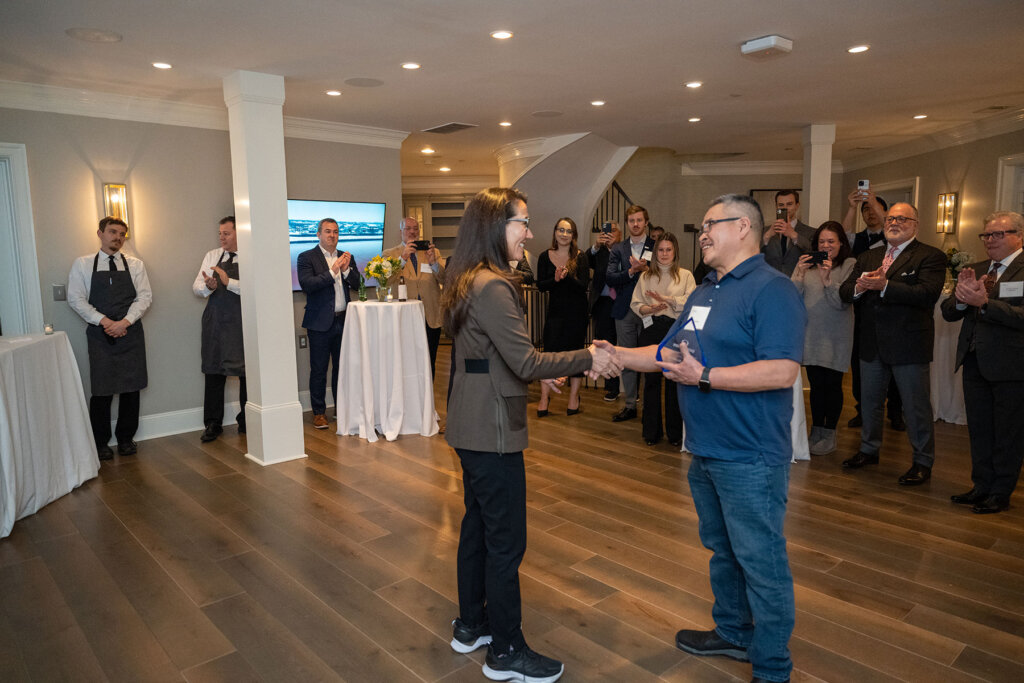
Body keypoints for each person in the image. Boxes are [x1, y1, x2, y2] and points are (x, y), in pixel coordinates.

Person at [608, 193, 805, 683]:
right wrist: (615, 353)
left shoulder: (772, 290)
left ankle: (773, 666)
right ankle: (734, 632)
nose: (703, 233)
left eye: (709, 224)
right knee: (723, 549)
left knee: (761, 560)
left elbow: (782, 371)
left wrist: (706, 377)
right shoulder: (706, 291)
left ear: (743, 227)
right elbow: (669, 352)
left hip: (750, 454)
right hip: (707, 449)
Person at [442, 187, 618, 683]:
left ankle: (471, 625)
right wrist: (588, 356)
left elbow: (482, 358)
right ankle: (506, 651)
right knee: (506, 543)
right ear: (496, 227)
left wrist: (536, 373)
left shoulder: (465, 277)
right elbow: (523, 358)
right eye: (523, 222)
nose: (530, 232)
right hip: (492, 428)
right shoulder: (494, 285)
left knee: (476, 528)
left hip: (469, 418)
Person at [839, 202, 946, 485]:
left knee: (915, 407)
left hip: (908, 344)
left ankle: (923, 461)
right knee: (870, 403)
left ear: (915, 224)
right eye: (890, 219)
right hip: (871, 342)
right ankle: (868, 450)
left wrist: (885, 286)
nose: (894, 222)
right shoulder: (867, 257)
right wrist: (861, 286)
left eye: (902, 218)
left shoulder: (929, 256)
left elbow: (927, 294)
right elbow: (845, 292)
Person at [941, 211, 1024, 514]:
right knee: (979, 429)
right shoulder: (976, 269)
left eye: (998, 234)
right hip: (975, 360)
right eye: (986, 235)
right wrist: (962, 299)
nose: (990, 240)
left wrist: (986, 303)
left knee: (1007, 432)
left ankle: (1001, 491)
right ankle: (981, 486)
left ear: (1020, 236)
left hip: (1012, 366)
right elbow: (949, 311)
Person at [68, 216, 153, 460]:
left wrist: (124, 322)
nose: (117, 237)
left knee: (131, 387)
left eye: (122, 234)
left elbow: (145, 297)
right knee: (102, 390)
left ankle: (126, 438)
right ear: (100, 233)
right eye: (113, 232)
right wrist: (106, 322)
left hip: (131, 331)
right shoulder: (83, 264)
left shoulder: (136, 265)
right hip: (100, 334)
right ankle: (100, 442)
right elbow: (76, 299)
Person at [790, 221, 856, 455]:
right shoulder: (808, 266)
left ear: (841, 243)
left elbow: (842, 302)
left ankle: (830, 433)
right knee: (816, 386)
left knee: (832, 385)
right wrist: (798, 273)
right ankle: (816, 430)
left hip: (836, 335)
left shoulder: (849, 265)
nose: (826, 246)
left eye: (831, 242)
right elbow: (791, 298)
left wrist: (828, 279)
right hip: (811, 335)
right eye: (822, 242)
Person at [841, 190, 902, 430]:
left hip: (891, 309)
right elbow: (842, 238)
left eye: (873, 209)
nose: (870, 214)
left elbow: (887, 219)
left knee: (894, 366)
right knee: (861, 363)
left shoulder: (894, 239)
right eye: (865, 210)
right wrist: (853, 207)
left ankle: (895, 412)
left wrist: (871, 198)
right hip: (863, 309)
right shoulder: (858, 240)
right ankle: (862, 410)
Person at [629, 232, 695, 446]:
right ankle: (651, 432)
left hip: (675, 331)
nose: (664, 254)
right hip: (651, 328)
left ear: (675, 251)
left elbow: (691, 302)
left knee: (674, 382)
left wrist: (668, 300)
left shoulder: (685, 276)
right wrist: (650, 308)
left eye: (668, 249)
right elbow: (636, 304)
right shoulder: (645, 276)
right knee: (651, 382)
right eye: (660, 250)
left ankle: (675, 434)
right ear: (655, 252)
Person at [297, 218, 360, 429]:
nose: (332, 235)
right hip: (319, 323)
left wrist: (346, 270)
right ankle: (319, 413)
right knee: (319, 369)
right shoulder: (306, 257)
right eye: (327, 231)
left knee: (342, 368)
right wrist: (333, 271)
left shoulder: (346, 257)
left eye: (335, 232)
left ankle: (341, 408)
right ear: (318, 234)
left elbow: (358, 284)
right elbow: (308, 285)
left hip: (344, 320)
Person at [192, 216, 246, 442]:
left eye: (227, 233)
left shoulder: (250, 255)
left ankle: (247, 420)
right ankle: (213, 423)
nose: (222, 237)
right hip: (215, 322)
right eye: (220, 234)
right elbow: (196, 287)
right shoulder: (212, 256)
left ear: (238, 234)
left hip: (241, 322)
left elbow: (256, 288)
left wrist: (228, 282)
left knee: (246, 373)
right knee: (213, 371)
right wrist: (208, 286)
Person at [606, 204, 656, 422]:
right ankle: (630, 405)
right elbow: (610, 278)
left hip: (649, 309)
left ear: (646, 222)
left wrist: (646, 269)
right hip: (625, 310)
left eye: (639, 220)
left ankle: (649, 407)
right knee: (626, 358)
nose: (635, 224)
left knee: (649, 359)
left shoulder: (656, 245)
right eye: (631, 221)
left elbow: (664, 272)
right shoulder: (618, 249)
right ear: (627, 224)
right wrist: (631, 271)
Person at [536, 217, 590, 417]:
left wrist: (567, 278)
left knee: (575, 355)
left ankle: (573, 397)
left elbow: (584, 286)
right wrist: (555, 279)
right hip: (555, 314)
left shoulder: (581, 257)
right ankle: (544, 397)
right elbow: (541, 285)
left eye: (568, 231)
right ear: (555, 232)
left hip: (577, 314)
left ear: (573, 235)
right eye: (561, 230)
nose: (564, 234)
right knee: (549, 355)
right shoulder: (544, 256)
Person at [384, 217, 445, 377]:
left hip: (430, 316)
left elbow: (445, 280)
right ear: (401, 232)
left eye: (415, 228)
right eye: (408, 229)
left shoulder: (433, 252)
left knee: (430, 361)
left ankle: (428, 400)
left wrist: (433, 263)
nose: (412, 232)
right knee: (406, 363)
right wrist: (402, 258)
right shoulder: (390, 254)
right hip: (404, 317)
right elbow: (386, 280)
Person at [588, 221, 621, 401]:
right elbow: (585, 261)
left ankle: (633, 389)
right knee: (605, 345)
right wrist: (596, 245)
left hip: (620, 303)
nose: (608, 234)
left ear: (620, 234)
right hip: (602, 303)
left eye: (612, 230)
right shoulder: (597, 252)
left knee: (621, 344)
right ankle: (612, 387)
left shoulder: (624, 250)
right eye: (605, 231)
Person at [762, 189, 815, 276]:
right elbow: (750, 254)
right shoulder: (764, 231)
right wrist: (767, 236)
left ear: (797, 206)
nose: (785, 208)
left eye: (789, 204)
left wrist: (794, 235)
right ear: (776, 207)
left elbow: (813, 254)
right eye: (781, 205)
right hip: (770, 282)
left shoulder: (810, 232)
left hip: (798, 282)